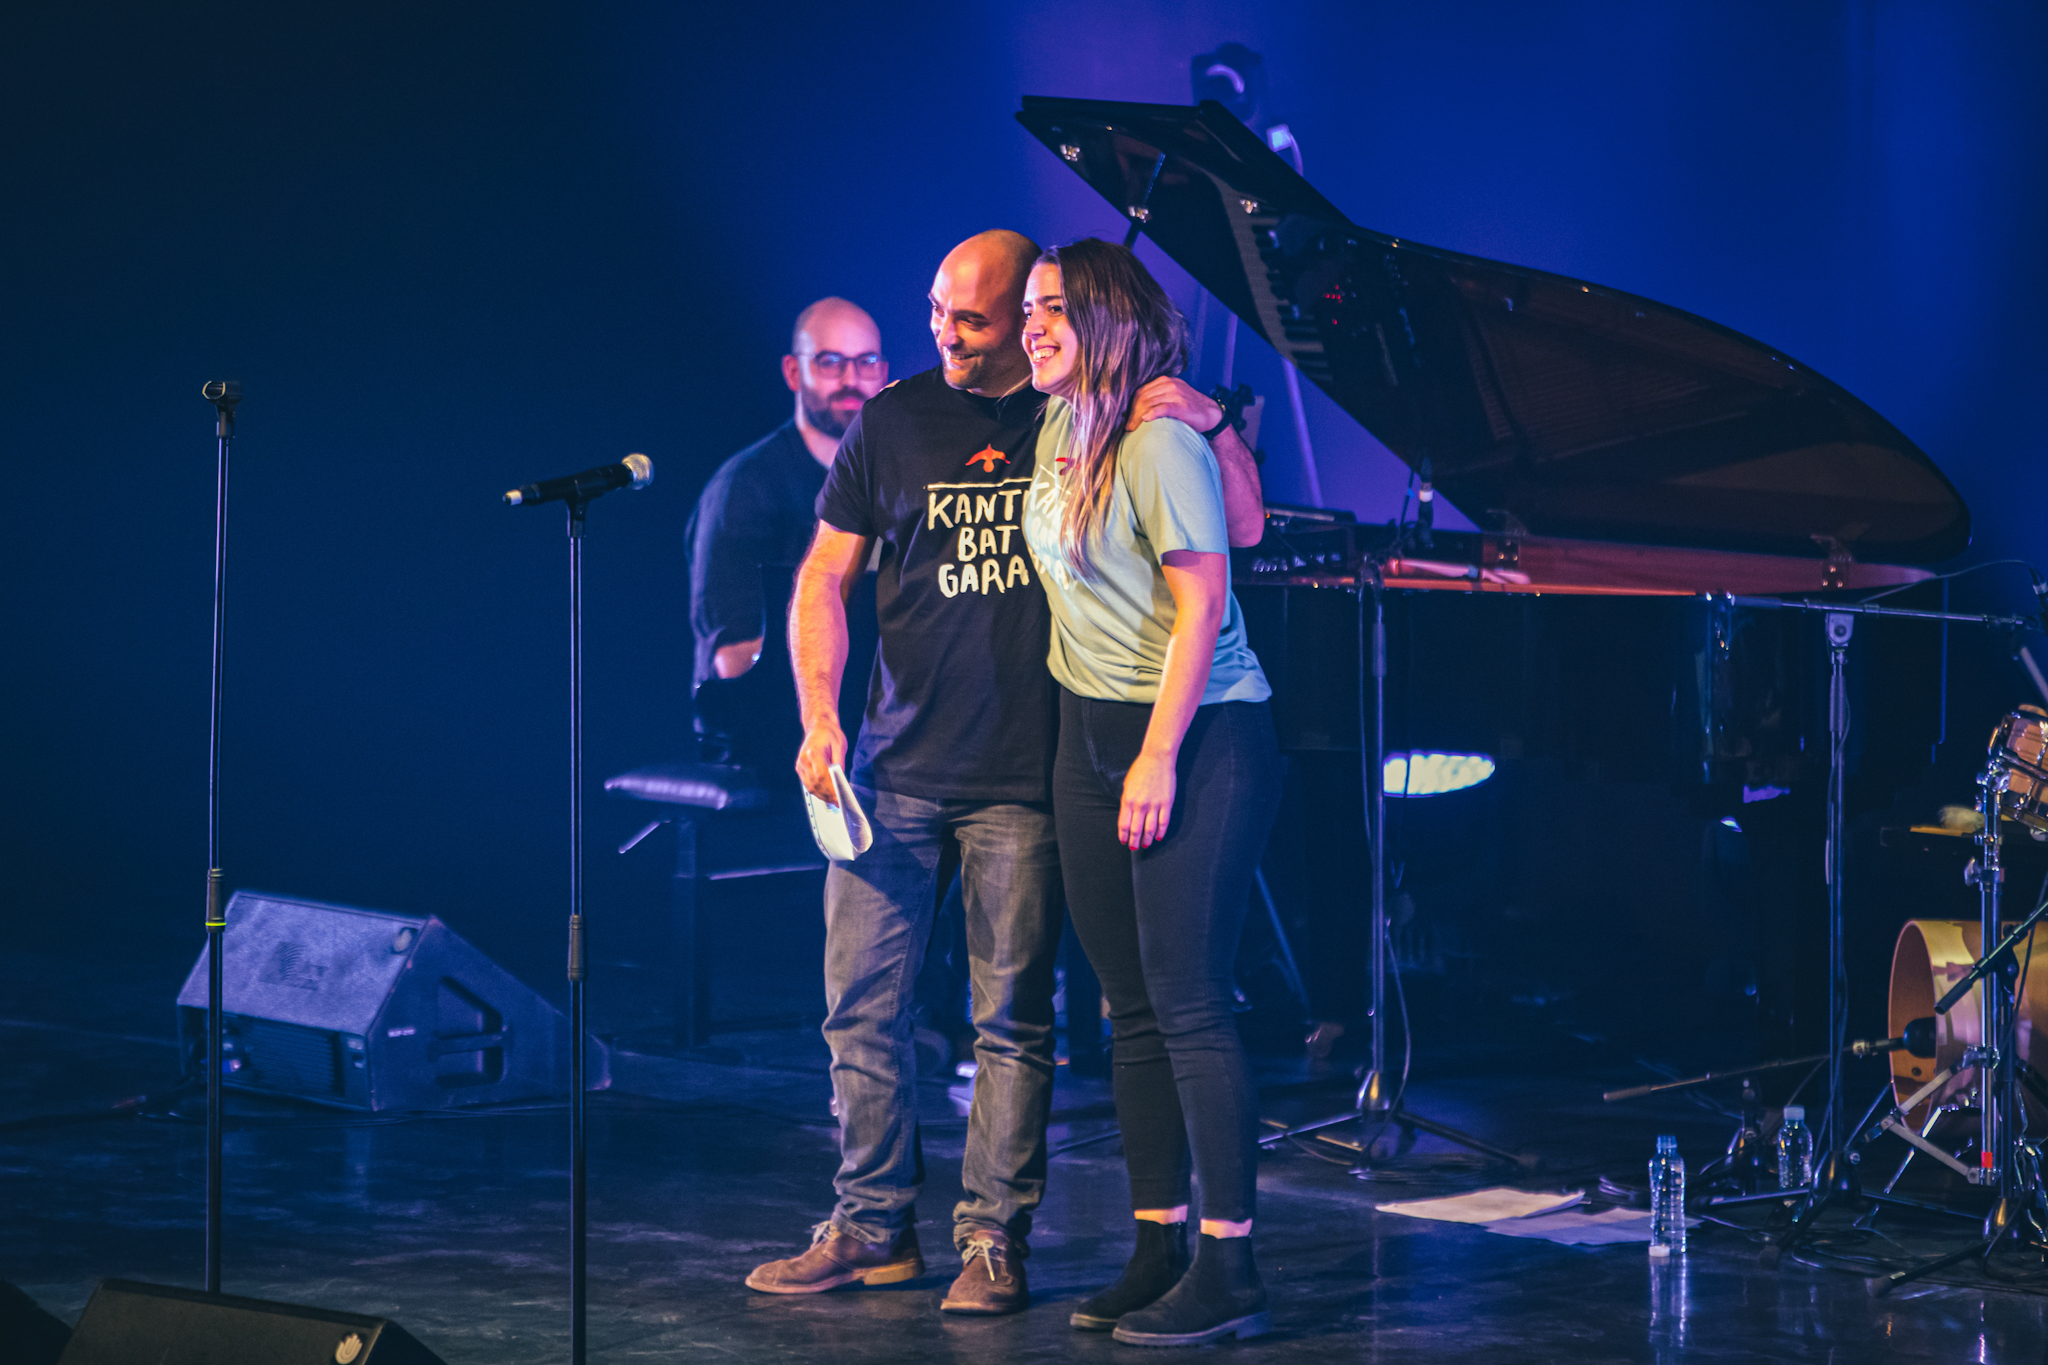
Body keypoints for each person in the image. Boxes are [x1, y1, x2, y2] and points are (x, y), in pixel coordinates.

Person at [744, 230, 1262, 1316]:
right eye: (941, 312)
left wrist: (1210, 418)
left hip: (1033, 770)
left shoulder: (1098, 415)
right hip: (899, 764)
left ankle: (999, 1240)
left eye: (978, 318)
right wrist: (818, 713)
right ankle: (872, 1226)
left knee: (1021, 1022)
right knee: (861, 1009)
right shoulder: (907, 420)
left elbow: (1231, 544)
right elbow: (823, 576)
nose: (950, 335)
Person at [1019, 238, 1282, 1347]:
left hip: (1198, 732)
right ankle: (1156, 1242)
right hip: (1087, 735)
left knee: (1187, 1000)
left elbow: (1206, 600)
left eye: (1051, 309)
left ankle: (1230, 1262)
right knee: (1126, 1004)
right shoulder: (1059, 422)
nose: (1032, 328)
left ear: (1106, 319)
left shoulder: (1156, 435)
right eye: (1027, 310)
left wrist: (1158, 753)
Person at [686, 297, 888, 692]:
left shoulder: (897, 478)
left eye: (866, 362)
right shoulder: (743, 488)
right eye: (830, 361)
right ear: (794, 372)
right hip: (775, 720)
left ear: (882, 372)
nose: (851, 379)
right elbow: (732, 657)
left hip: (877, 717)